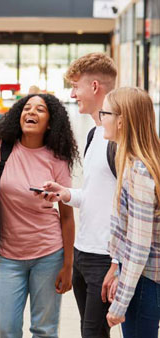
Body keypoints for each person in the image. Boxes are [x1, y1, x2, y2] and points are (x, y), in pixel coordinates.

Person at [0, 93, 78, 338]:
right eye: (27, 108)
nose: (31, 112)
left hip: (49, 254)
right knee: (6, 329)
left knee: (44, 330)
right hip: (10, 256)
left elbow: (67, 217)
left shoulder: (58, 160)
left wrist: (68, 265)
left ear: (50, 123)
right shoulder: (2, 147)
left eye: (40, 110)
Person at [41, 53, 118, 338]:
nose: (73, 94)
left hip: (105, 257)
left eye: (76, 86)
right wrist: (67, 194)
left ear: (95, 86)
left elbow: (130, 205)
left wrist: (118, 263)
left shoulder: (118, 140)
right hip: (84, 252)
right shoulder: (95, 135)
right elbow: (95, 195)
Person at [99, 87, 160, 337]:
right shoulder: (138, 164)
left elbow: (138, 247)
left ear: (122, 120)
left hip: (145, 284)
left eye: (105, 112)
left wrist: (121, 303)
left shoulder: (139, 173)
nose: (101, 118)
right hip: (142, 280)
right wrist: (117, 269)